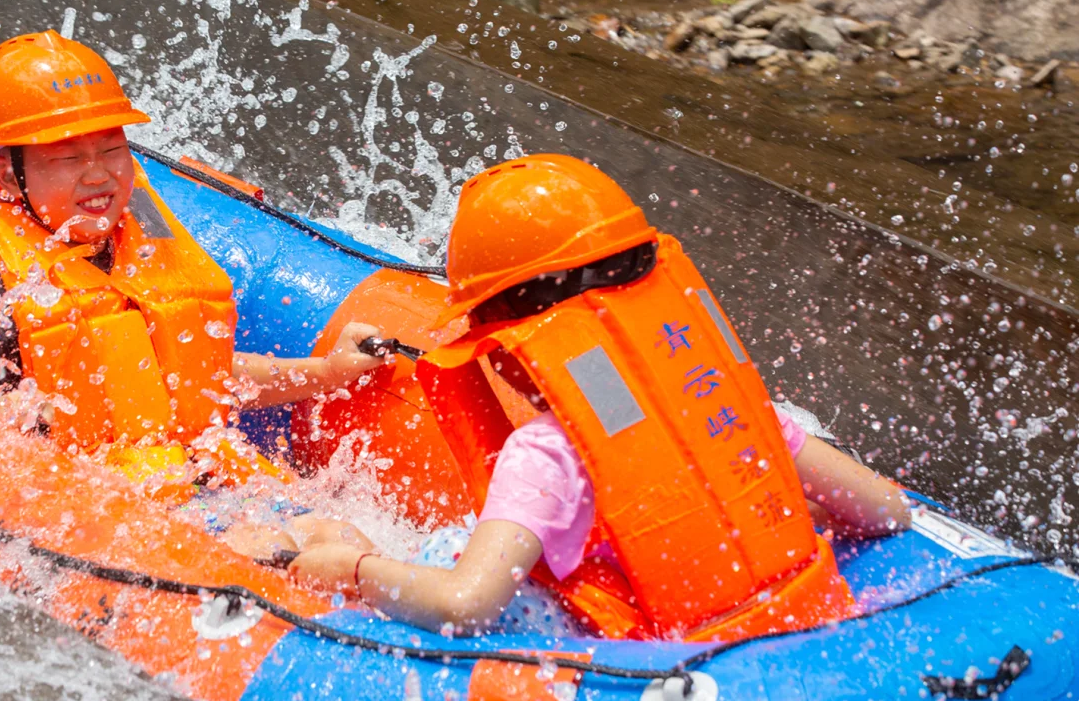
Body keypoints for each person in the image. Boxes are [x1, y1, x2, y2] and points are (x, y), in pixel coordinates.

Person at [288, 155, 911, 639]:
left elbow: (467, 604)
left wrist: (354, 572)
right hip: (744, 627)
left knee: (324, 535)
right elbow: (886, 511)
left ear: (506, 340)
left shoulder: (546, 455)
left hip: (618, 655)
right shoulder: (733, 408)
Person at [0, 30, 384, 493]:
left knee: (328, 535)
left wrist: (328, 372)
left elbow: (206, 375)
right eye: (68, 158)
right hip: (100, 506)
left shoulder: (143, 238)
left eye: (112, 149)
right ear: (10, 174)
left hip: (195, 476)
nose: (99, 174)